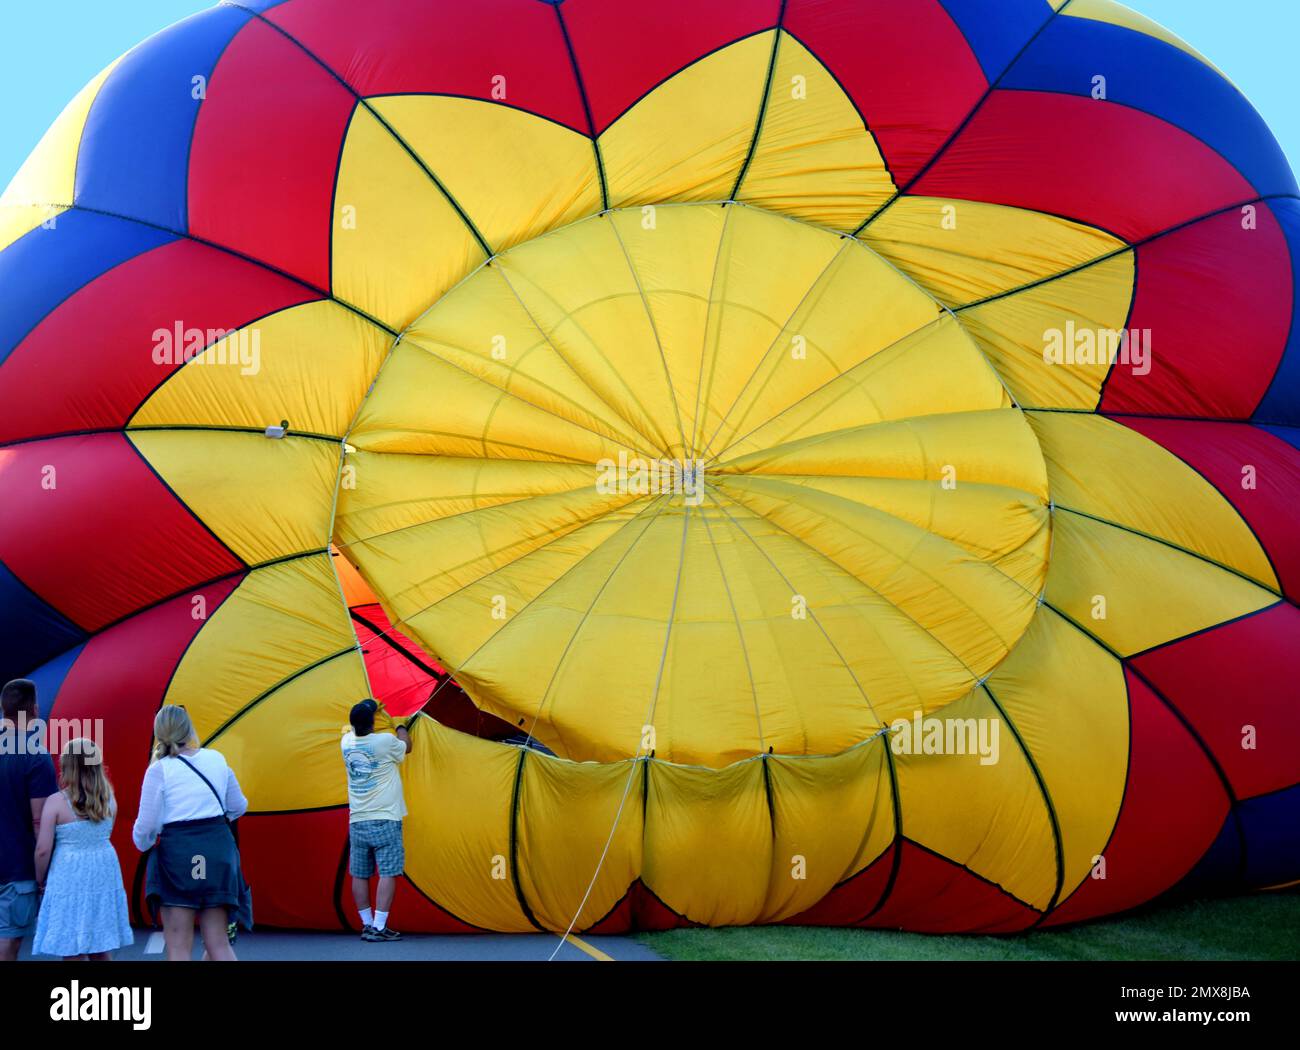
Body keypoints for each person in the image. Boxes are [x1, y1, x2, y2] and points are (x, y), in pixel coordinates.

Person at [132, 705, 250, 961]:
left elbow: (147, 827)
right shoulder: (216, 759)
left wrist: (143, 843)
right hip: (217, 852)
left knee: (178, 947)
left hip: (178, 857)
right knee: (218, 942)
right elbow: (239, 805)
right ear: (189, 728)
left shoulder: (159, 770)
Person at [32, 738, 133, 960]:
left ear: (68, 766)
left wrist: (40, 879)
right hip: (103, 866)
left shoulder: (56, 802)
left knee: (72, 943)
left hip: (70, 871)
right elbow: (105, 833)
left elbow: (42, 849)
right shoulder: (109, 799)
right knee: (100, 943)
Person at [341, 699, 411, 942]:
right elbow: (406, 746)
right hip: (385, 818)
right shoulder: (385, 742)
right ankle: (380, 927)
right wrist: (400, 724)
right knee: (388, 872)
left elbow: (350, 728)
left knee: (359, 874)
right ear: (373, 723)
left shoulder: (346, 743)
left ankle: (367, 924)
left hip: (357, 820)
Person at [0, 679, 57, 962]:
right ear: (35, 709)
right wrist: (43, 870)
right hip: (17, 866)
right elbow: (40, 821)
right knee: (8, 942)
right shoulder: (36, 754)